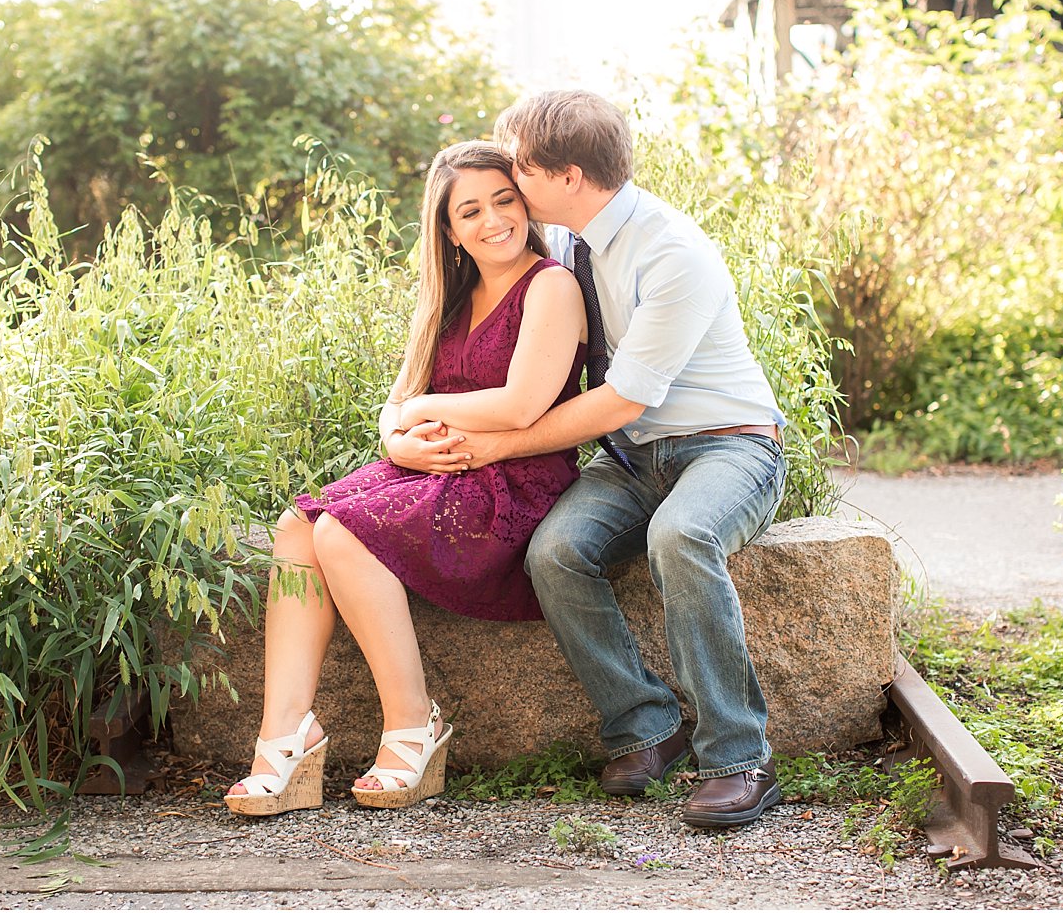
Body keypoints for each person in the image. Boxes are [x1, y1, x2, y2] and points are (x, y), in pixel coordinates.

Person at [452, 90, 789, 829]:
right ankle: (647, 725)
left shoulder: (673, 252)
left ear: (568, 175)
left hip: (729, 446)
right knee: (557, 552)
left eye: (520, 167)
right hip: (633, 462)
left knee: (682, 536)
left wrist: (498, 446)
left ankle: (741, 759)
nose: (510, 178)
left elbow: (622, 400)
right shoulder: (568, 243)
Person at [225, 140, 587, 816]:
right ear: (449, 230)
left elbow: (521, 404)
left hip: (513, 486)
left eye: (504, 201)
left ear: (527, 204)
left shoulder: (551, 286)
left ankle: (413, 725)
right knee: (297, 528)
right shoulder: (452, 298)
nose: (493, 220)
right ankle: (284, 737)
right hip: (438, 473)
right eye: (470, 211)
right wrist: (400, 439)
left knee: (343, 535)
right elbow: (394, 408)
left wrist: (417, 414)